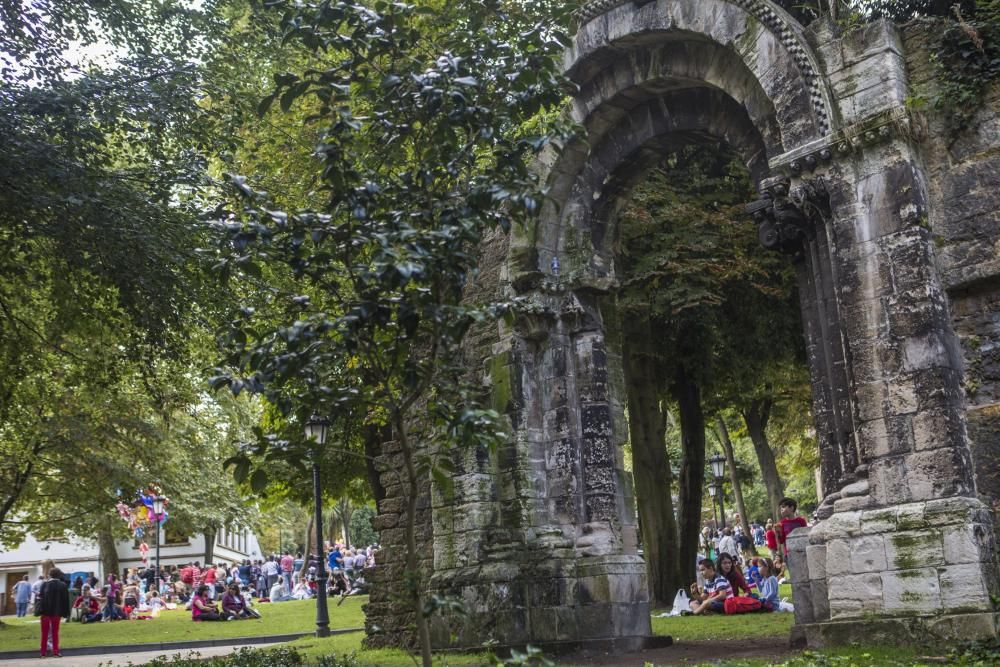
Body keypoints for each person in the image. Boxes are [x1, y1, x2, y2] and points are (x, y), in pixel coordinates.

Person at [39, 568, 70, 658]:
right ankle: (55, 652)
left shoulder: (44, 584)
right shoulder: (63, 585)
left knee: (44, 633)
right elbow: (65, 600)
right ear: (59, 575)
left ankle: (43, 653)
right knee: (55, 632)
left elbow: (40, 597)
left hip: (45, 612)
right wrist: (66, 613)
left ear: (50, 575)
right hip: (57, 612)